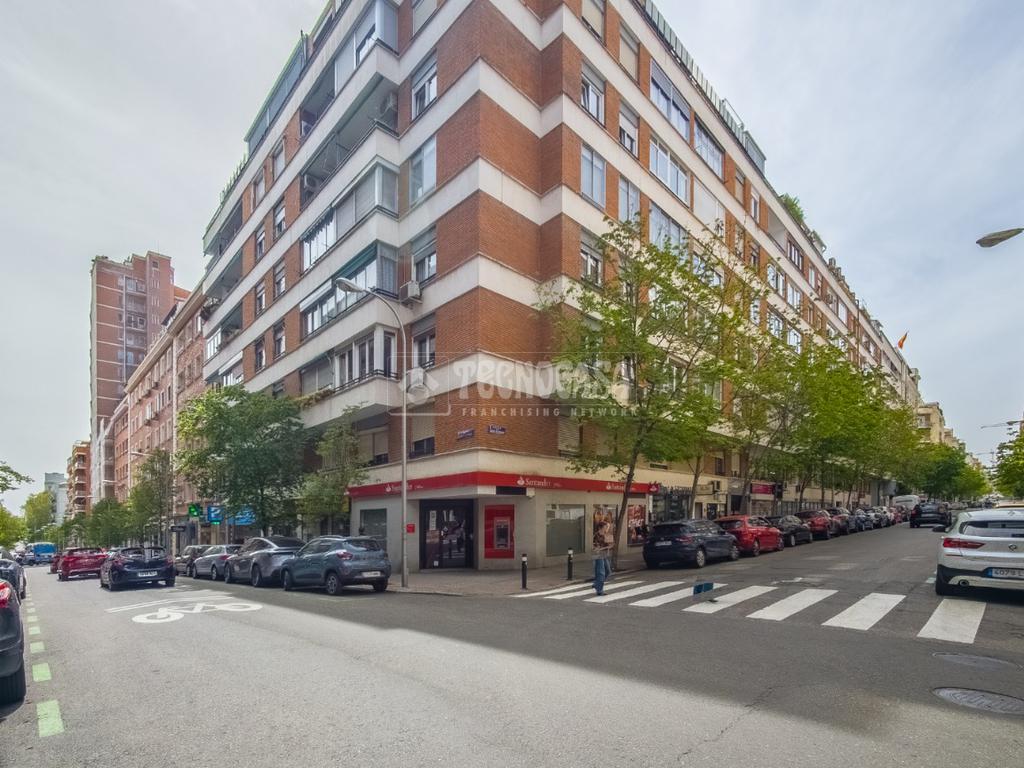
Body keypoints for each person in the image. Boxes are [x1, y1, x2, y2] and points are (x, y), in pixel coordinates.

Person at [593, 520, 613, 595]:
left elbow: (609, 545)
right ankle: (599, 590)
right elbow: (596, 549)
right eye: (605, 527)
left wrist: (609, 546)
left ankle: (596, 584)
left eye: (607, 527)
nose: (606, 528)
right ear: (600, 528)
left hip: (604, 555)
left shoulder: (605, 535)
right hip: (598, 555)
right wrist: (606, 547)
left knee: (608, 571)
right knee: (601, 573)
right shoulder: (596, 536)